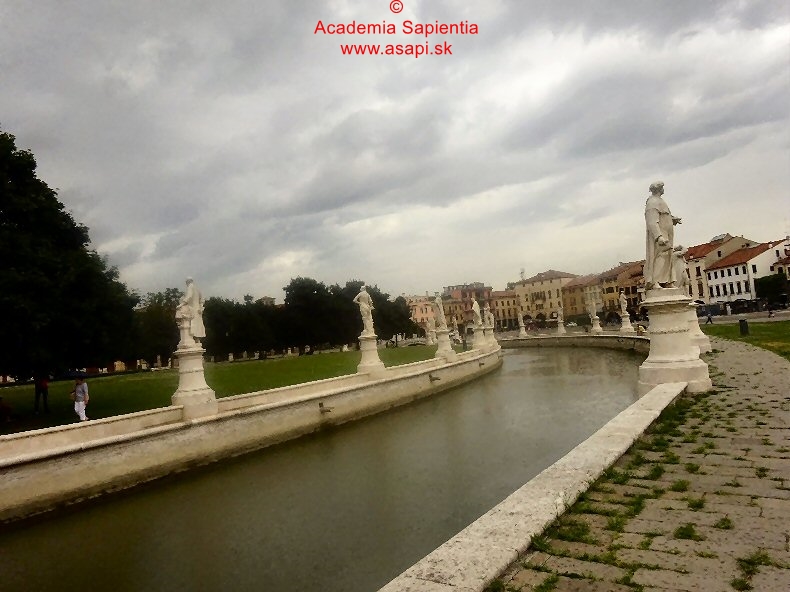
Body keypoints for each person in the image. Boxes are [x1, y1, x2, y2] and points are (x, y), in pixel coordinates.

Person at [644, 181, 682, 289]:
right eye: (662, 187)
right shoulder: (652, 202)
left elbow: (664, 217)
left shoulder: (660, 201)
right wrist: (658, 236)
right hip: (660, 235)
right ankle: (655, 281)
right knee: (660, 257)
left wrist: (672, 219)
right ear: (659, 189)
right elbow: (652, 221)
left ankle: (668, 281)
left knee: (668, 256)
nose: (663, 189)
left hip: (667, 234)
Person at [176, 277, 206, 344]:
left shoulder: (190, 287)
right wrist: (200, 307)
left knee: (191, 324)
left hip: (191, 309)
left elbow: (189, 296)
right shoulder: (197, 288)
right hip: (198, 310)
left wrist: (181, 305)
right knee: (197, 324)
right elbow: (202, 300)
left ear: (187, 282)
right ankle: (197, 340)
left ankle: (190, 339)